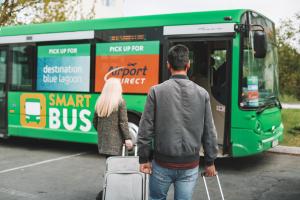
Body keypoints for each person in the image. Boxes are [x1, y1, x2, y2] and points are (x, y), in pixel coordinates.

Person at [137, 44, 218, 200]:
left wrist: (144, 158)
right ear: (188, 65)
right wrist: (210, 161)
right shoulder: (202, 94)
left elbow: (145, 128)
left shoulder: (156, 91)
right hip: (190, 166)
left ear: (168, 65)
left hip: (162, 164)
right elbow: (209, 131)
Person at [93, 78, 133, 157]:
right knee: (117, 167)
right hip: (116, 144)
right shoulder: (120, 102)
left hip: (104, 142)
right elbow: (123, 122)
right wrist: (127, 138)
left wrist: (103, 133)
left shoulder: (100, 101)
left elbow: (95, 121)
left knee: (109, 165)